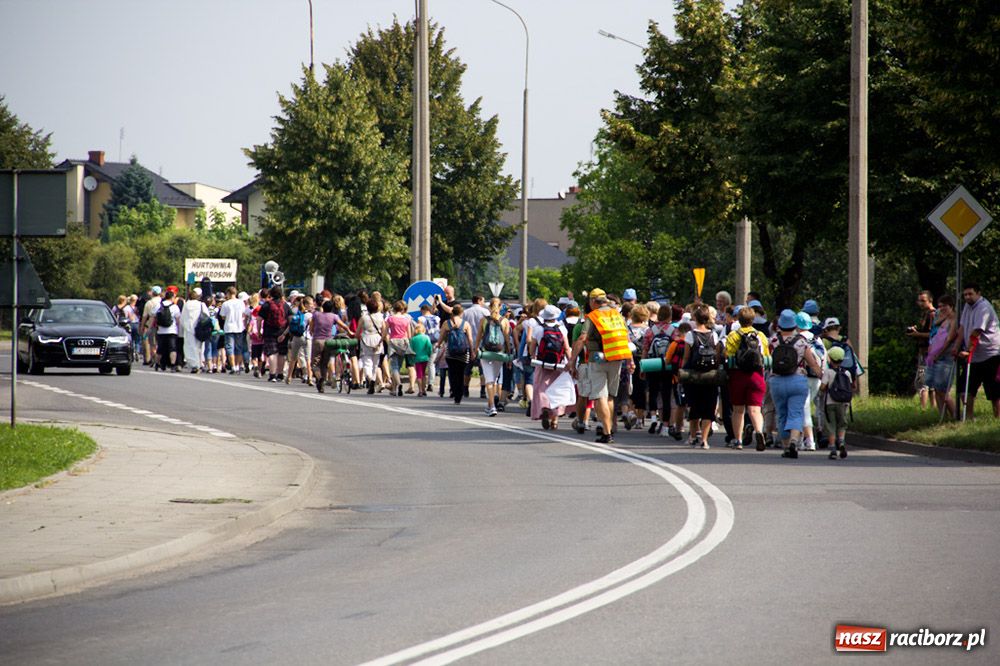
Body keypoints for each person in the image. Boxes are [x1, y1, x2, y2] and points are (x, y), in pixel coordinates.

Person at [571, 288, 633, 444]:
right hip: (617, 358)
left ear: (593, 301)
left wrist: (572, 361)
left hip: (597, 359)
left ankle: (606, 433)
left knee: (600, 396)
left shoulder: (593, 316)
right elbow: (626, 339)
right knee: (610, 396)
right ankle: (609, 428)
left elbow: (582, 338)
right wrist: (630, 360)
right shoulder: (617, 315)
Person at [769, 309, 822, 458]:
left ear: (779, 325)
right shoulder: (801, 341)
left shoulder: (773, 341)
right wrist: (821, 375)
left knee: (782, 414)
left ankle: (786, 447)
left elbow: (767, 361)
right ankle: (794, 441)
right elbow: (812, 363)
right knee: (796, 413)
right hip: (797, 381)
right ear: (795, 325)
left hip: (777, 381)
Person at [724, 306, 770, 451]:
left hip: (738, 375)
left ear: (738, 319)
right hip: (756, 375)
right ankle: (759, 432)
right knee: (755, 410)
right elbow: (767, 356)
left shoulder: (733, 335)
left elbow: (728, 355)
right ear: (753, 319)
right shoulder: (760, 336)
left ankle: (738, 440)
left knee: (738, 410)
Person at [952, 283, 1000, 418]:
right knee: (964, 388)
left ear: (978, 293)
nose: (967, 297)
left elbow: (977, 331)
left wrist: (967, 350)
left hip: (990, 353)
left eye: (970, 294)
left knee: (994, 391)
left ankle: (997, 419)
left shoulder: (983, 307)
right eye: (965, 294)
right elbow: (962, 328)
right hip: (974, 356)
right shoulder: (968, 306)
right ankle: (969, 417)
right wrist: (956, 347)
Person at [680, 304, 721, 448]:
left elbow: (686, 357)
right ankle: (704, 439)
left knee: (694, 407)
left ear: (695, 318)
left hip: (694, 376)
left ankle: (692, 436)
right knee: (708, 408)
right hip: (710, 376)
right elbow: (717, 355)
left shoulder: (691, 335)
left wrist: (683, 371)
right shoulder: (714, 334)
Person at [474, 298, 512, 416]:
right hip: (500, 353)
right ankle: (491, 405)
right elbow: (506, 339)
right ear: (500, 307)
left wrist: (476, 349)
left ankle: (492, 406)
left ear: (489, 307)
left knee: (489, 380)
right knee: (494, 379)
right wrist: (509, 355)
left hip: (486, 353)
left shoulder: (484, 320)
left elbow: (479, 337)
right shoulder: (505, 321)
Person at [923, 294, 958, 419]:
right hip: (934, 357)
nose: (941, 309)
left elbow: (949, 339)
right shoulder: (942, 317)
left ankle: (955, 415)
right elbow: (934, 328)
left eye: (944, 306)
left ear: (951, 306)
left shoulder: (954, 319)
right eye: (940, 306)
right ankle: (942, 416)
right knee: (936, 389)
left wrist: (939, 354)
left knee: (943, 390)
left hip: (945, 357)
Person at [820, 345, 852, 459]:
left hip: (830, 402)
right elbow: (850, 387)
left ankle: (833, 447)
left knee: (831, 425)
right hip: (843, 403)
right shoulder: (847, 373)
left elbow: (823, 387)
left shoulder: (828, 372)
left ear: (830, 359)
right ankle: (842, 442)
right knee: (842, 424)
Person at [906, 290, 936, 409]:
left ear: (930, 300)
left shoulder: (932, 314)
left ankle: (923, 408)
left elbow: (932, 334)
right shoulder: (925, 314)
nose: (920, 303)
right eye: (919, 301)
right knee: (930, 383)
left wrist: (916, 334)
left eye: (923, 301)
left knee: (922, 381)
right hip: (924, 350)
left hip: (928, 351)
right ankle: (933, 408)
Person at [440, 303, 474, 405]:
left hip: (450, 352)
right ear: (461, 313)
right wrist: (472, 351)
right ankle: (459, 394)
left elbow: (441, 337)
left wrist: (437, 345)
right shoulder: (466, 324)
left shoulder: (446, 323)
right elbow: (470, 339)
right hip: (463, 352)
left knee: (452, 373)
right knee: (461, 373)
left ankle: (454, 392)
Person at [259, 286, 292, 383]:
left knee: (272, 354)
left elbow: (259, 319)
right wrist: (286, 333)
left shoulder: (267, 305)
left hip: (269, 332)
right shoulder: (285, 305)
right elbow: (290, 320)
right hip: (282, 333)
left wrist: (259, 331)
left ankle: (272, 374)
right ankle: (280, 374)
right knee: (282, 354)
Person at [384, 300, 415, 397]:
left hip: (393, 342)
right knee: (399, 365)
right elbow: (409, 335)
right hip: (404, 342)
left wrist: (383, 340)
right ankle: (393, 389)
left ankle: (398, 384)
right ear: (402, 309)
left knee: (394, 367)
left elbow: (385, 332)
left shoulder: (390, 319)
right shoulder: (406, 320)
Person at [462, 295, 491, 399]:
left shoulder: (466, 312)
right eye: (483, 300)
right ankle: (482, 391)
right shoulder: (485, 312)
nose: (484, 302)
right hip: (483, 344)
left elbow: (463, 327)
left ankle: (465, 390)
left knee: (467, 368)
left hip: (468, 344)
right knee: (482, 369)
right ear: (479, 300)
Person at [180, 288, 209, 373]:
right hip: (200, 328)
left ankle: (194, 365)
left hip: (189, 328)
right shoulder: (201, 304)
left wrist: (183, 328)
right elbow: (207, 316)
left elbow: (182, 318)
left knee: (189, 347)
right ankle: (200, 363)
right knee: (199, 347)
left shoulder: (187, 304)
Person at [220, 287, 246, 374]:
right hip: (239, 327)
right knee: (239, 348)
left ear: (228, 293)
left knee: (230, 348)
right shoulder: (241, 303)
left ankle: (233, 366)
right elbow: (243, 313)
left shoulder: (226, 304)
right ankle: (238, 366)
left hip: (229, 327)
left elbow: (222, 316)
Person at [153, 290, 181, 372]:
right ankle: (172, 365)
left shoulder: (159, 305)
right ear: (172, 297)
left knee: (160, 349)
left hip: (161, 331)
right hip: (172, 330)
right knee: (172, 348)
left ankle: (157, 364)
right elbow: (178, 319)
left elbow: (153, 316)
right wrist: (179, 329)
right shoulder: (175, 307)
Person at [410, 322, 434, 397]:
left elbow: (411, 350)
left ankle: (420, 390)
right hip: (425, 358)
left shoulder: (413, 339)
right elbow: (429, 347)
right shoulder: (426, 337)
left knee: (419, 374)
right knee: (423, 374)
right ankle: (424, 389)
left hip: (417, 358)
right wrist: (429, 354)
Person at [141, 285, 163, 366]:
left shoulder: (149, 303)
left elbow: (145, 316)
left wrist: (142, 326)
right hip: (162, 325)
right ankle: (160, 358)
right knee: (159, 342)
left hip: (151, 323)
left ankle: (151, 358)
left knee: (151, 342)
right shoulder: (162, 301)